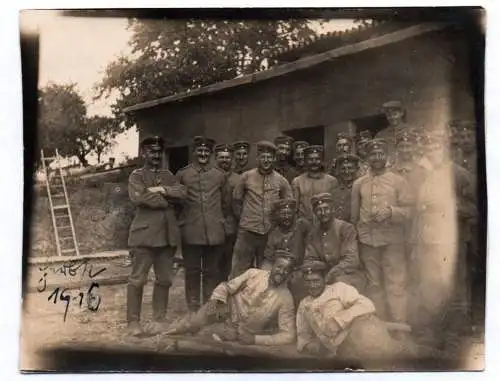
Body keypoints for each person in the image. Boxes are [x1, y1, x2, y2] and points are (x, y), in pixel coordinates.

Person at [410, 128, 476, 346]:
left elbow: (474, 209)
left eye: (436, 147)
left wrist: (446, 206)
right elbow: (419, 211)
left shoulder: (458, 173)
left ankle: (453, 336)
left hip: (453, 242)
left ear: (445, 149)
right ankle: (434, 333)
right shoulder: (425, 176)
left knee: (456, 290)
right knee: (432, 289)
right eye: (428, 148)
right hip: (429, 242)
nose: (432, 152)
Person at [296, 260, 425, 361]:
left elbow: (367, 305)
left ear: (324, 279)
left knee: (400, 354)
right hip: (339, 349)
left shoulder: (339, 289)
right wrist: (310, 346)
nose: (312, 285)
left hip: (361, 335)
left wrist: (338, 320)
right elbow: (303, 335)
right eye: (308, 282)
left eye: (316, 281)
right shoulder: (304, 304)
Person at [164, 249, 297, 346]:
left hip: (238, 331)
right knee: (192, 324)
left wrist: (255, 339)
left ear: (290, 274)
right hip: (223, 310)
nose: (282, 272)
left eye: (287, 270)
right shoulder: (254, 274)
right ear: (272, 266)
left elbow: (288, 335)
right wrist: (217, 300)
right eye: (279, 267)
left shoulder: (286, 298)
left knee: (204, 341)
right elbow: (225, 287)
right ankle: (163, 333)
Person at [126, 136, 187, 336]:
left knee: (164, 280)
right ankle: (133, 322)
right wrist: (167, 201)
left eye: (159, 152)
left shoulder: (168, 174)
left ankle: (159, 318)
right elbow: (140, 197)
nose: (156, 155)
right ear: (143, 153)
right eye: (152, 151)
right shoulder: (136, 176)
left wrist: (162, 189)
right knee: (137, 280)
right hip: (144, 238)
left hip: (167, 237)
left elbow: (182, 193)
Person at [351, 138, 413, 325]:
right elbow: (354, 217)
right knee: (374, 283)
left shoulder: (398, 181)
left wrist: (391, 212)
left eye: (380, 154)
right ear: (367, 157)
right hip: (367, 241)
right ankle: (379, 323)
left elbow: (411, 211)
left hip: (393, 241)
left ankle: (399, 324)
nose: (377, 157)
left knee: (396, 283)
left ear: (387, 156)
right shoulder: (359, 183)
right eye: (373, 154)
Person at [176, 136, 229, 312]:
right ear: (194, 152)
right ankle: (193, 308)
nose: (203, 154)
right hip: (191, 230)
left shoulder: (219, 175)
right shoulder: (183, 174)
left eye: (207, 151)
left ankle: (208, 308)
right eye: (200, 150)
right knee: (191, 271)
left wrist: (222, 224)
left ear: (211, 154)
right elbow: (177, 203)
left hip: (214, 232)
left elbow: (226, 203)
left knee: (211, 271)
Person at [230, 140, 292, 278]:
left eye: (269, 157)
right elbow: (236, 201)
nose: (266, 160)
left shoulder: (281, 180)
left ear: (274, 159)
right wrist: (245, 218)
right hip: (247, 232)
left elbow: (289, 204)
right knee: (239, 269)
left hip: (269, 233)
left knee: (265, 270)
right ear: (258, 158)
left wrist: (276, 223)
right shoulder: (246, 177)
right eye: (263, 157)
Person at [304, 193, 366, 292]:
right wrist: (321, 271)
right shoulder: (313, 234)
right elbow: (309, 259)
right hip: (324, 273)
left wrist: (332, 272)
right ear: (315, 213)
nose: (323, 213)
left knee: (338, 284)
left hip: (348, 274)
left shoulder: (346, 228)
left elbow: (351, 260)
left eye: (326, 209)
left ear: (333, 210)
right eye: (319, 210)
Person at [214, 143, 242, 282]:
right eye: (221, 157)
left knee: (230, 264)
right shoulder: (210, 177)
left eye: (227, 157)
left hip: (232, 228)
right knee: (213, 265)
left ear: (231, 159)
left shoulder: (238, 179)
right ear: (216, 158)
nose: (225, 160)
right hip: (213, 228)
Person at [292, 145, 338, 223]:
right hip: (305, 224)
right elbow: (295, 208)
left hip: (325, 223)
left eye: (317, 159)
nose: (314, 162)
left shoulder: (331, 181)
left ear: (322, 161)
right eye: (310, 159)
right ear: (305, 161)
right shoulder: (297, 181)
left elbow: (335, 206)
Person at [261, 198, 310, 270]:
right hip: (281, 270)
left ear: (293, 214)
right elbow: (268, 257)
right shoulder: (274, 234)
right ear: (278, 215)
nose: (286, 217)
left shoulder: (301, 226)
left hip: (299, 268)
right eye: (283, 214)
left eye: (289, 213)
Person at [376, 100, 414, 166]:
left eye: (395, 114)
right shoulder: (380, 135)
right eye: (389, 115)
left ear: (401, 113)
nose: (392, 118)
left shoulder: (411, 131)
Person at [330, 153, 360, 222]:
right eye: (343, 168)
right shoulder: (334, 189)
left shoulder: (361, 188)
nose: (346, 172)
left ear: (356, 169)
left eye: (350, 168)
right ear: (338, 171)